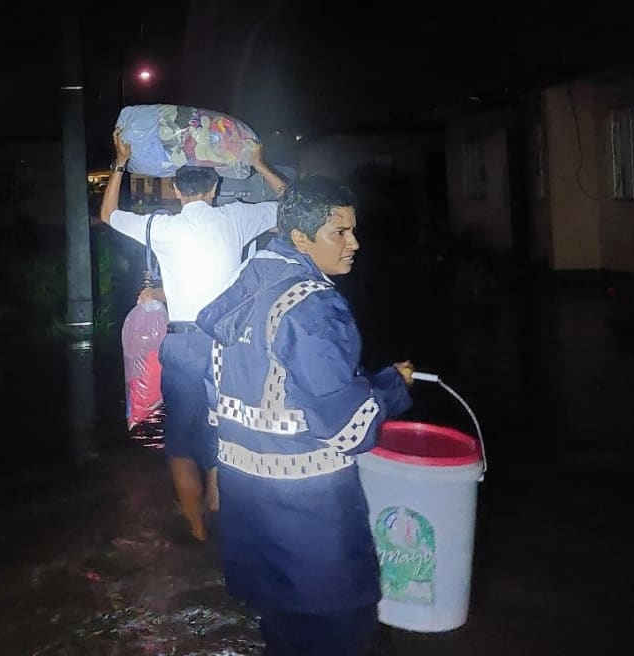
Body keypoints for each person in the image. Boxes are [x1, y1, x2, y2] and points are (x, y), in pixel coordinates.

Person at [195, 176, 415, 655]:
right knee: (341, 635)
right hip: (313, 528)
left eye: (353, 230)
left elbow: (214, 399)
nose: (355, 243)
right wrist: (393, 385)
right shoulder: (314, 307)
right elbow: (349, 427)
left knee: (284, 635)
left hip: (251, 513)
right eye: (339, 232)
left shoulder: (242, 289)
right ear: (300, 238)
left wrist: (214, 473)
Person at [100, 127, 287, 542]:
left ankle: (197, 530)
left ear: (176, 191)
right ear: (215, 187)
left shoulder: (163, 228)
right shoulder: (236, 218)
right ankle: (220, 501)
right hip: (230, 344)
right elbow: (290, 207)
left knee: (181, 443)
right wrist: (258, 163)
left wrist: (120, 162)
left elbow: (108, 215)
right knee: (226, 429)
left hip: (183, 345)